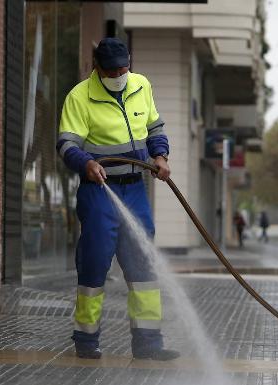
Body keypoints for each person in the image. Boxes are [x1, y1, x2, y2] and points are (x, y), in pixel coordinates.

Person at [56, 37, 179, 361]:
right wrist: (87, 163)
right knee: (95, 264)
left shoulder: (141, 85)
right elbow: (67, 145)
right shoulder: (80, 97)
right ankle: (86, 340)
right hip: (99, 191)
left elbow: (155, 127)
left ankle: (148, 344)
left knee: (143, 264)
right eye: (113, 71)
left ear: (130, 63)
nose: (119, 75)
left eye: (124, 68)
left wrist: (161, 156)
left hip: (135, 188)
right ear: (98, 68)